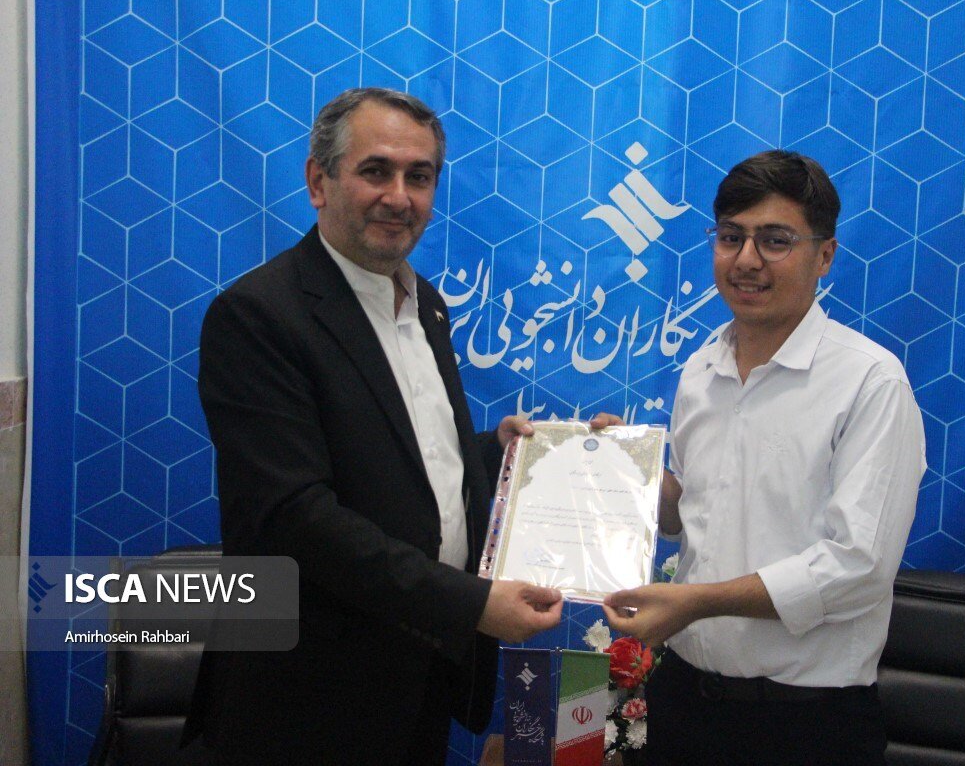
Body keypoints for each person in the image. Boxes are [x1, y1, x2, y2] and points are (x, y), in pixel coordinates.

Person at [184, 87, 563, 764]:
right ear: (318, 182)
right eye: (375, 171)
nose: (399, 196)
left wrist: (493, 453)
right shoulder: (259, 316)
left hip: (419, 676)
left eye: (420, 176)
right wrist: (469, 603)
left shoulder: (428, 305)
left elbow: (403, 457)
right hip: (308, 697)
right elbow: (294, 516)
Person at [602, 151, 926, 765]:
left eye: (775, 241)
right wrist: (633, 475)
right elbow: (693, 516)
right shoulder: (701, 369)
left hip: (804, 723)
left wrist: (699, 601)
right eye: (731, 237)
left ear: (824, 256)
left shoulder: (870, 382)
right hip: (683, 701)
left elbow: (857, 568)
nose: (746, 260)